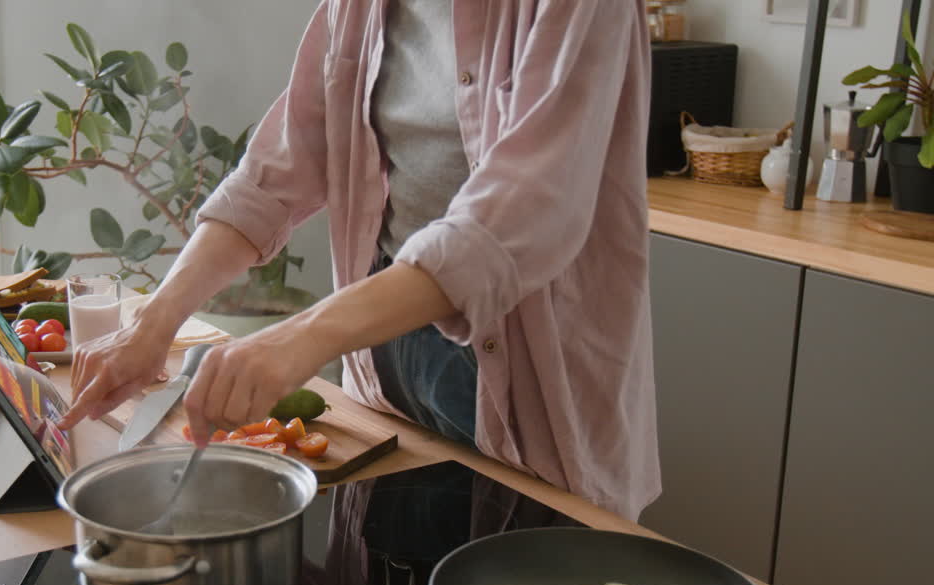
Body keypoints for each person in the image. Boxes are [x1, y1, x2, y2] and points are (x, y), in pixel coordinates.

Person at [58, 0, 660, 523]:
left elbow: (522, 212)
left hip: (527, 370)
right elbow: (276, 172)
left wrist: (302, 336)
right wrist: (153, 322)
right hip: (385, 355)